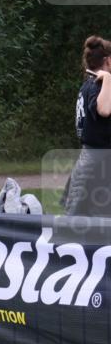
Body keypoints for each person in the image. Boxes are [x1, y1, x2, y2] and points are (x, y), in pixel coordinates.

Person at [63, 35, 111, 217]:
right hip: (99, 167)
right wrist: (108, 79)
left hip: (90, 161)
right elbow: (104, 110)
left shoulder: (87, 85)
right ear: (108, 60)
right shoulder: (99, 85)